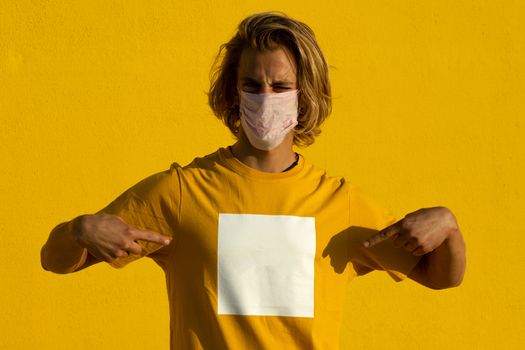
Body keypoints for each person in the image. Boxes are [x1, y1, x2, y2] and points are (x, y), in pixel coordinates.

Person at [41, 12, 466, 349]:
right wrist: (79, 230)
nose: (265, 97)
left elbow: (441, 276)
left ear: (306, 94)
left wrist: (447, 224)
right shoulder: (181, 192)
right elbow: (54, 260)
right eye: (251, 84)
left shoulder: (342, 204)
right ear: (232, 91)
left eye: (281, 85)